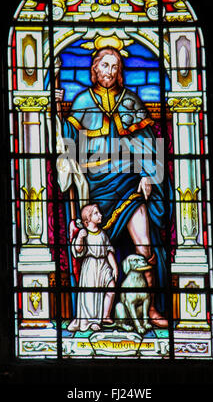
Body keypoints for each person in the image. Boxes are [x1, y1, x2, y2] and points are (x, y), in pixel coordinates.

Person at [56, 46, 170, 327]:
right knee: (95, 250)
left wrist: (147, 174)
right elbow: (66, 143)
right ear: (94, 69)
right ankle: (94, 313)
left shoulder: (131, 101)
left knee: (144, 243)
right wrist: (56, 112)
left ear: (120, 72)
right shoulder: (82, 100)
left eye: (115, 67)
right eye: (104, 66)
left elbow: (148, 144)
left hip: (129, 180)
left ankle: (151, 306)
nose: (109, 71)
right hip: (95, 185)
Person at [67, 203, 118, 332]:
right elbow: (78, 251)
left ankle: (105, 316)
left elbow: (109, 252)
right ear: (87, 219)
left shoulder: (103, 234)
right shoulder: (84, 234)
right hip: (90, 266)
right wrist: (79, 237)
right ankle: (91, 321)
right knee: (90, 295)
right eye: (96, 213)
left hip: (104, 265)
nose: (100, 215)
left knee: (111, 287)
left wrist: (114, 267)